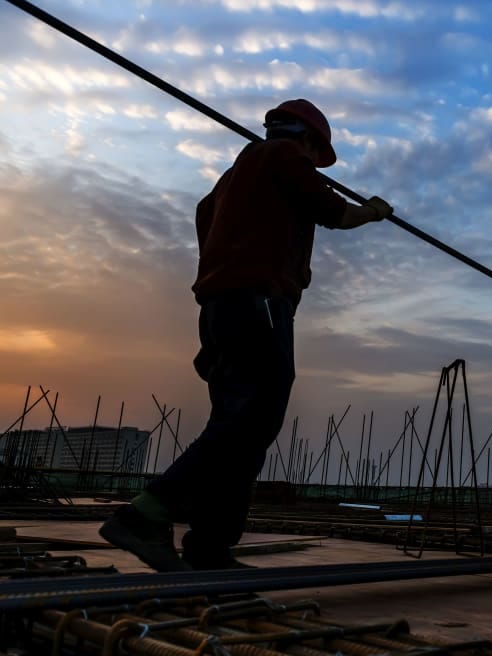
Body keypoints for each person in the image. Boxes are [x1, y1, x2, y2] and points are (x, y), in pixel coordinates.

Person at [99, 99, 394, 571]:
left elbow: (204, 214)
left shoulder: (233, 179)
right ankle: (147, 514)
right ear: (309, 140)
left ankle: (211, 547)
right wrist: (371, 211)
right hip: (259, 304)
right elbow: (332, 212)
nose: (317, 165)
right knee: (252, 419)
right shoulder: (282, 156)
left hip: (225, 307)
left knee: (243, 426)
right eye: (318, 156)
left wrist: (226, 280)